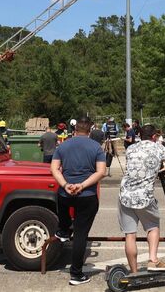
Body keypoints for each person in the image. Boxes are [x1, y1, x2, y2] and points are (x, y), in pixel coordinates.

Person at [118, 124, 165, 274]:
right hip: (144, 196)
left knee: (130, 234)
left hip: (125, 194)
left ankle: (133, 272)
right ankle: (153, 260)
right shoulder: (158, 148)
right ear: (154, 136)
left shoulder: (131, 148)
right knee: (153, 227)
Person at [51, 117, 106, 286]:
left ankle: (63, 231)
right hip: (87, 195)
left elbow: (54, 168)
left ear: (74, 130)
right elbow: (101, 172)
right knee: (81, 235)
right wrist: (82, 185)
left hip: (65, 194)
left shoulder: (63, 145)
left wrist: (66, 185)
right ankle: (76, 274)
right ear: (89, 130)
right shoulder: (96, 147)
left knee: (64, 210)